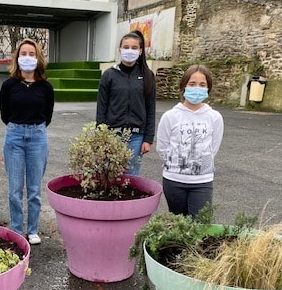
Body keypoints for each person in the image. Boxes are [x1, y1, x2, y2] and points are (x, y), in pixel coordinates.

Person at [0, 38, 54, 245]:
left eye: (32, 54)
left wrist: (33, 128)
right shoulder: (8, 85)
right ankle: (16, 229)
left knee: (34, 189)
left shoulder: (46, 87)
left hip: (38, 137)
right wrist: (20, 126)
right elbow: (5, 114)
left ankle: (32, 230)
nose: (28, 57)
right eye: (24, 54)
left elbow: (47, 115)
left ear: (38, 58)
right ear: (17, 57)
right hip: (14, 136)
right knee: (14, 189)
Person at [156, 64, 224, 217]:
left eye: (202, 85)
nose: (197, 88)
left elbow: (214, 147)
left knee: (200, 226)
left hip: (202, 181)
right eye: (192, 84)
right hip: (173, 180)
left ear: (208, 88)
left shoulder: (214, 117)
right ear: (184, 86)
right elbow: (162, 147)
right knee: (178, 225)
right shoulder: (170, 116)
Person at [96, 30, 157, 175]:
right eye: (126, 47)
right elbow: (102, 107)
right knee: (110, 175)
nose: (130, 51)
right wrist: (100, 136)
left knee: (131, 177)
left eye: (134, 48)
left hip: (136, 137)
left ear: (141, 51)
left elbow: (150, 108)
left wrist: (148, 139)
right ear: (120, 49)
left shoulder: (147, 76)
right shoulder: (109, 75)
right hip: (112, 135)